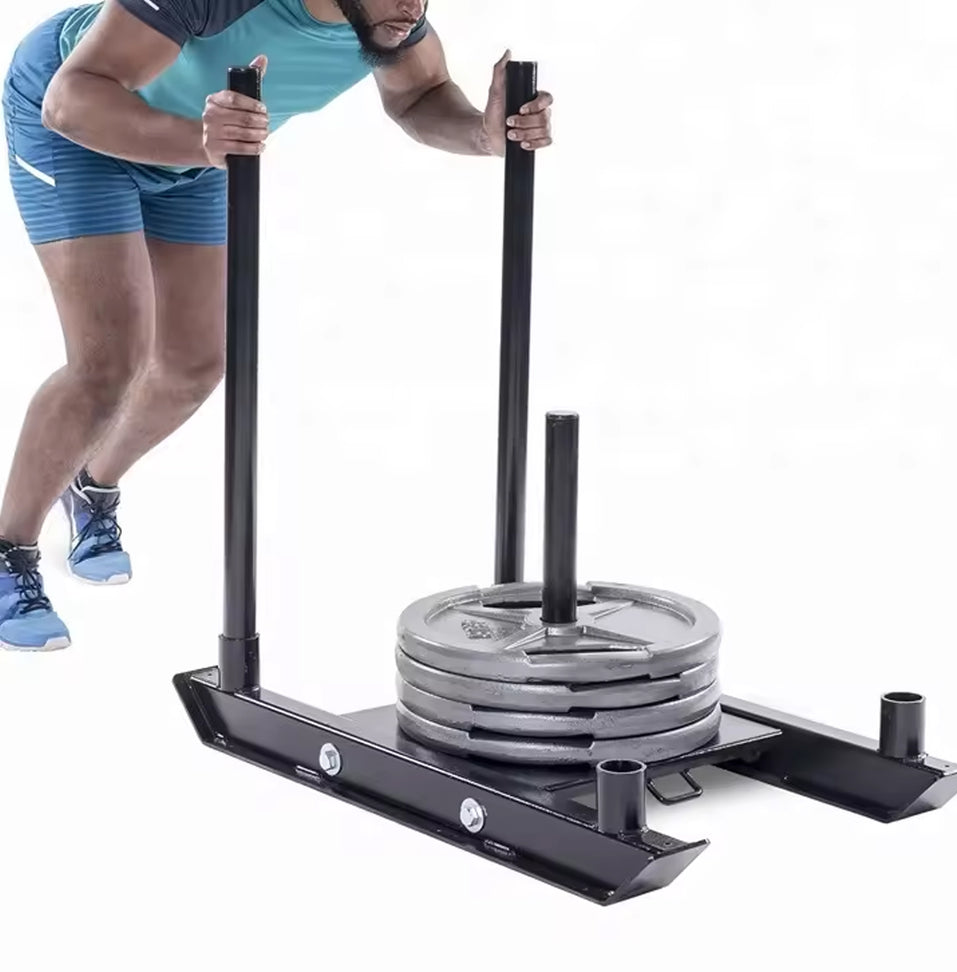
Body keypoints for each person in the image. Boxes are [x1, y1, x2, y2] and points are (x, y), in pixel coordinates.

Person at [0, 0, 554, 651]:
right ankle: (11, 550)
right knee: (109, 362)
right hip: (78, 129)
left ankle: (91, 486)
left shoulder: (392, 19)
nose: (415, 4)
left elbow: (420, 96)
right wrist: (199, 143)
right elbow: (72, 100)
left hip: (209, 145)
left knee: (194, 364)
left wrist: (487, 135)